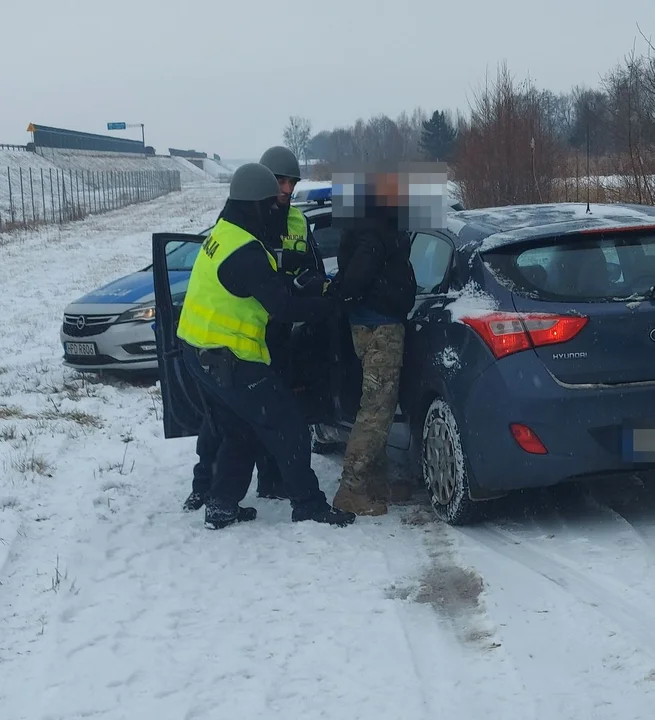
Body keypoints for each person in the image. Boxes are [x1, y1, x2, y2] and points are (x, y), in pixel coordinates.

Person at [177, 162, 356, 529]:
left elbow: (270, 281)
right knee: (287, 423)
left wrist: (297, 280)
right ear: (255, 205)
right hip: (230, 357)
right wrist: (330, 304)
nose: (278, 210)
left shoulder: (225, 232)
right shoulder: (245, 251)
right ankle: (307, 503)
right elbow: (283, 307)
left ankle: (222, 504)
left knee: (241, 428)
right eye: (272, 204)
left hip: (197, 351)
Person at [330, 171, 417, 516]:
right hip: (379, 326)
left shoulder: (369, 227)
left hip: (373, 322)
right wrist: (381, 298)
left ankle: (376, 484)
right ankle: (351, 488)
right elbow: (356, 277)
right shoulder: (375, 232)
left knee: (377, 405)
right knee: (376, 410)